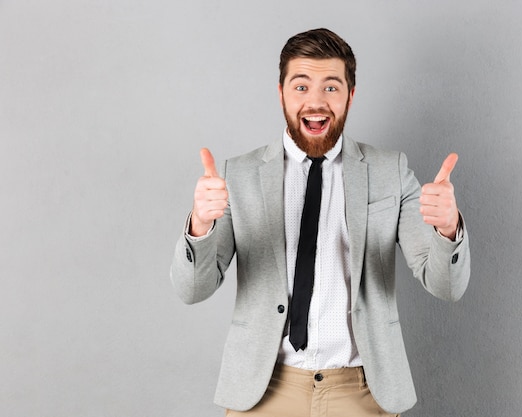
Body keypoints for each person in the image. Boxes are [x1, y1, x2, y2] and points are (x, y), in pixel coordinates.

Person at [170, 28, 470, 417]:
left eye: (331, 87)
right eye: (301, 86)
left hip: (363, 391)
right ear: (280, 93)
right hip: (265, 391)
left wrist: (448, 230)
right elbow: (192, 290)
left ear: (350, 95)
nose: (316, 101)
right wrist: (200, 224)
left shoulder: (389, 172)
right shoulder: (238, 175)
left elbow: (447, 286)